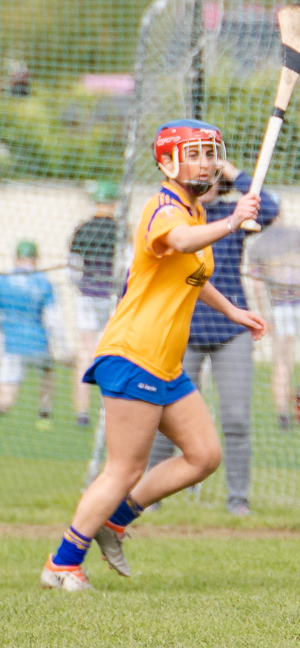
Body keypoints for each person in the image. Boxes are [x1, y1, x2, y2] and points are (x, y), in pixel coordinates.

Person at [40, 119, 265, 592]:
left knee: (204, 455)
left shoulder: (195, 212)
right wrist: (233, 218)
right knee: (124, 469)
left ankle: (114, 521)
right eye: (195, 153)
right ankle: (62, 563)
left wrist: (233, 311)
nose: (206, 161)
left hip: (165, 362)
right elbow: (180, 243)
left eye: (210, 152)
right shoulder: (165, 209)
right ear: (167, 163)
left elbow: (190, 275)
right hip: (133, 354)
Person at [145, 161, 279, 515]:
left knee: (236, 418)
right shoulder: (179, 215)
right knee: (165, 416)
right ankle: (149, 495)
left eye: (211, 170)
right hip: (183, 329)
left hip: (230, 331)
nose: (205, 175)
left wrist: (230, 169)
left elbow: (270, 206)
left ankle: (238, 499)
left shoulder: (234, 215)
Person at [246, 210, 300, 429]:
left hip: (279, 308)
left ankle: (283, 418)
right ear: (280, 213)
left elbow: (256, 285)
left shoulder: (257, 246)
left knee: (282, 365)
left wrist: (265, 316)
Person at [68, 178, 123, 428]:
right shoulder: (121, 229)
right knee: (112, 352)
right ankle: (110, 408)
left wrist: (81, 287)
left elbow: (72, 266)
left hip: (87, 295)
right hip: (112, 298)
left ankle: (81, 412)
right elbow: (127, 264)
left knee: (85, 353)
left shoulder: (83, 228)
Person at [0, 240, 65, 429]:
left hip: (10, 344)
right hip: (38, 342)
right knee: (48, 371)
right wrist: (62, 345)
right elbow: (54, 318)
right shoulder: (42, 281)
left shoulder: (4, 280)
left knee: (7, 395)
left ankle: (4, 405)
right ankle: (44, 413)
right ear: (35, 258)